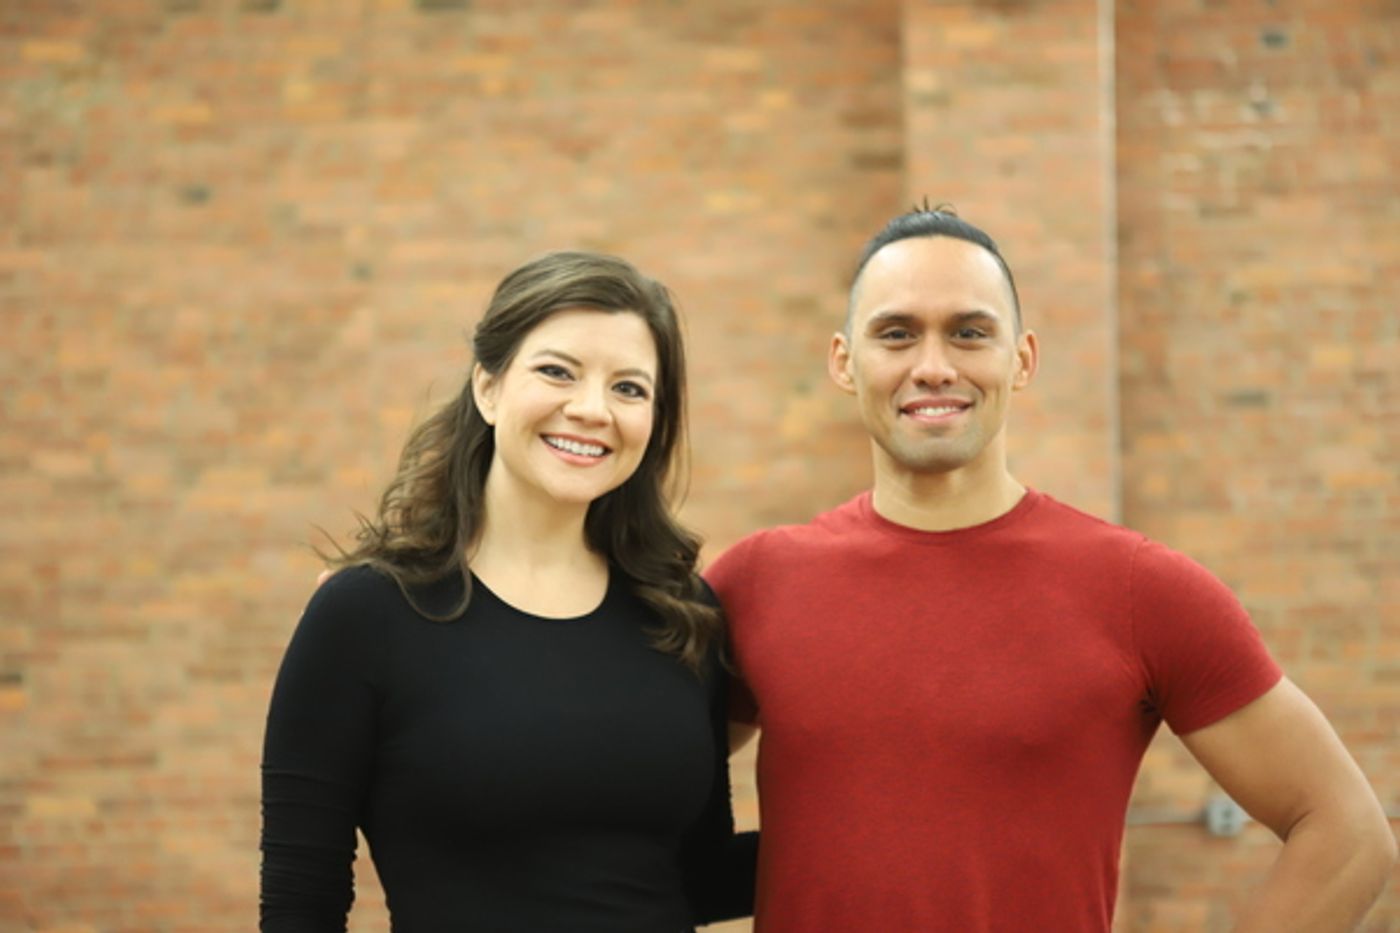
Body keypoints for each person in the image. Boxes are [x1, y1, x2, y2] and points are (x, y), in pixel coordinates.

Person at [707, 206, 1397, 932]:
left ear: (1023, 359)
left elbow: (1348, 833)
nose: (933, 365)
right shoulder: (758, 583)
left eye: (970, 332)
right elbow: (617, 790)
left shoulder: (1137, 589)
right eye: (897, 333)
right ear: (845, 361)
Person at [260, 251, 756, 931]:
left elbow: (694, 875)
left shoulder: (682, 613)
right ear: (488, 388)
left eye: (630, 388)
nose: (591, 409)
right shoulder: (367, 613)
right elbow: (300, 900)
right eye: (557, 371)